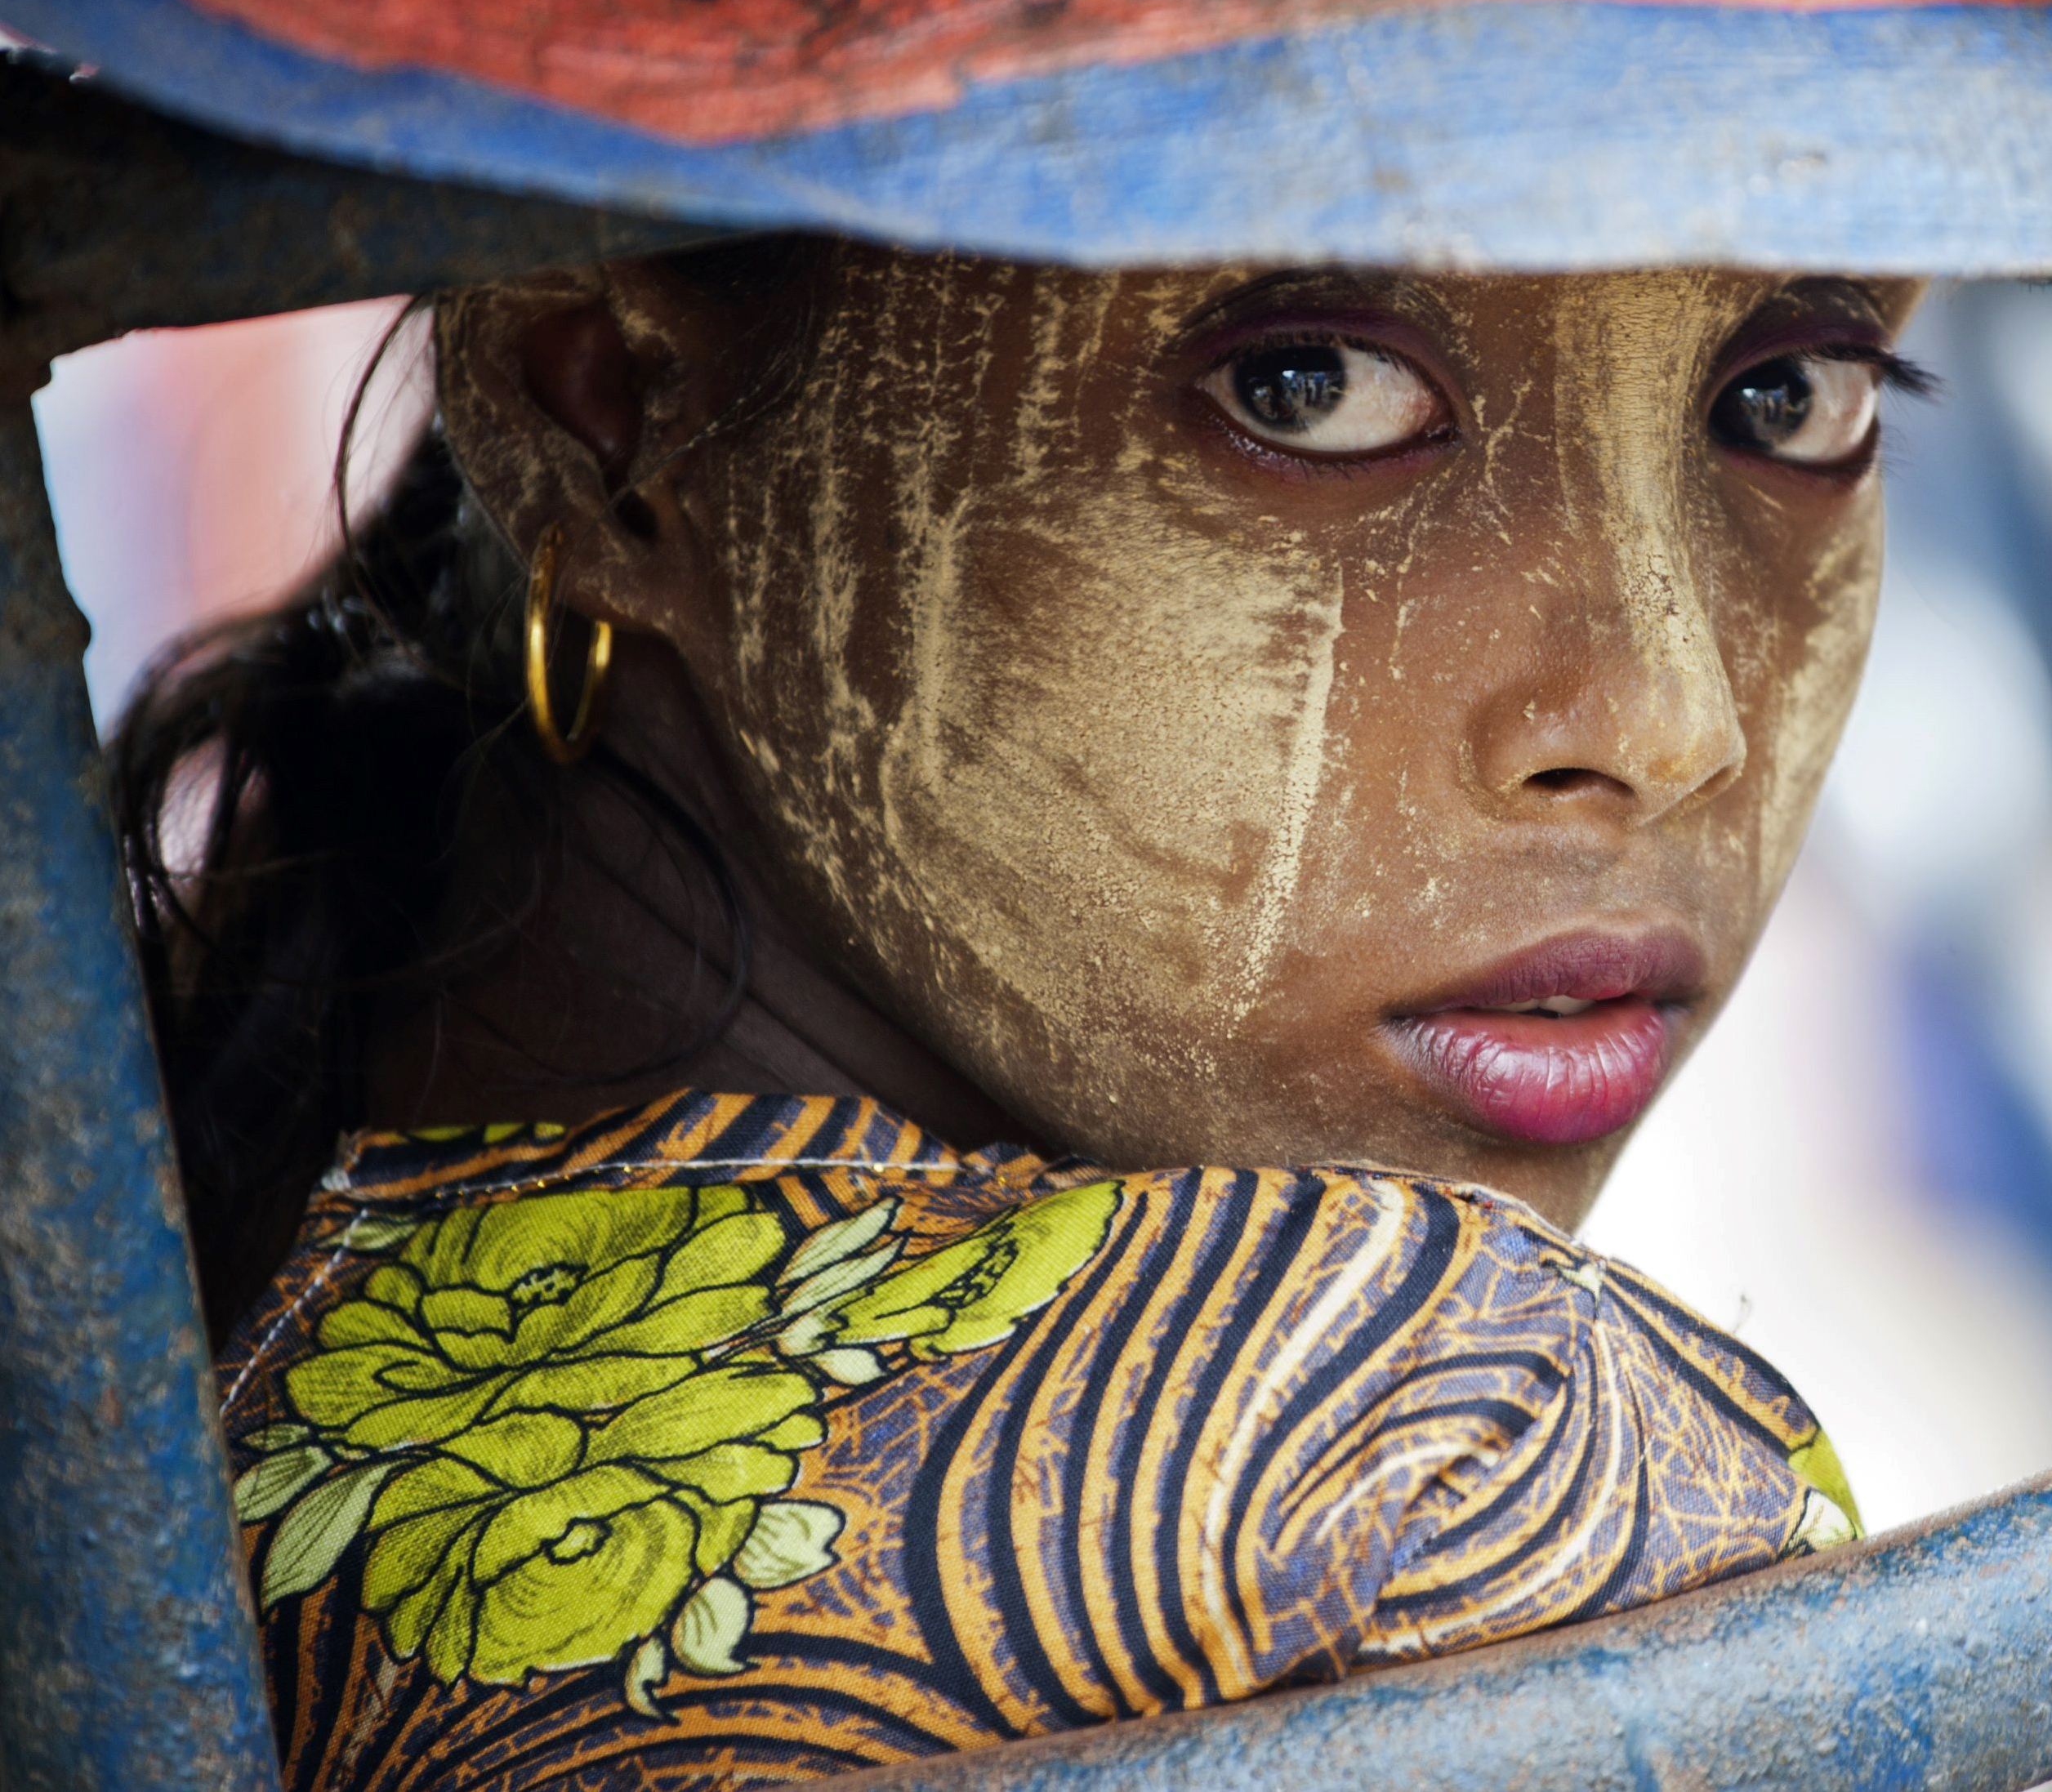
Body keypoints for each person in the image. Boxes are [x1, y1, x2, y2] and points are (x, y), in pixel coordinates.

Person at [123, 241, 1918, 1785]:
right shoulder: (1400, 1453)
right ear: (615, 428)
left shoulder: (177, 1251)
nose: (1672, 719)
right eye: (1306, 386)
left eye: (1788, 400)